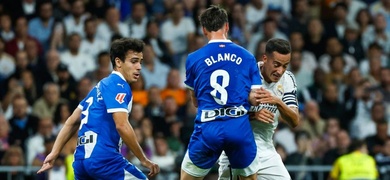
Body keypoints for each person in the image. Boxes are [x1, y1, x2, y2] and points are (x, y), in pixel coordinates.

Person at [37, 38, 160, 179]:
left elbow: (71, 122)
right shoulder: (118, 85)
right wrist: (143, 159)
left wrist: (54, 153)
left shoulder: (97, 89)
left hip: (81, 161)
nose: (139, 67)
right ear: (118, 62)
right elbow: (121, 125)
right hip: (103, 160)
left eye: (140, 62)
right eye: (133, 61)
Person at [181, 5, 263, 180]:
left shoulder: (193, 58)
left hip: (208, 127)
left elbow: (195, 101)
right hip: (238, 126)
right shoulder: (247, 56)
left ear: (204, 30)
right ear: (227, 26)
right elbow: (256, 99)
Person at [218, 38, 300, 180]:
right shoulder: (244, 75)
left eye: (285, 66)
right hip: (238, 145)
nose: (280, 71)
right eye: (276, 64)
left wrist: (278, 102)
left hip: (266, 149)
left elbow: (294, 120)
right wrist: (252, 115)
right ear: (265, 59)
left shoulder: (288, 79)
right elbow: (223, 116)